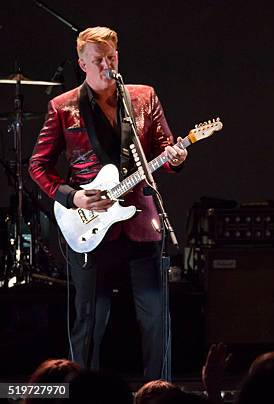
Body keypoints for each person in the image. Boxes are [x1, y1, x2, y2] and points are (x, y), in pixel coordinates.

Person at [29, 26, 188, 379]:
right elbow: (37, 166)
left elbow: (165, 146)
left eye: (112, 58)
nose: (106, 65)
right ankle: (80, 391)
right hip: (90, 224)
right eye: (98, 60)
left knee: (155, 317)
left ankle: (157, 391)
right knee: (89, 318)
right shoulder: (63, 106)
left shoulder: (143, 97)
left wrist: (175, 157)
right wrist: (73, 196)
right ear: (82, 63)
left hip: (140, 221)